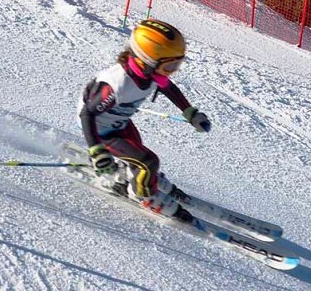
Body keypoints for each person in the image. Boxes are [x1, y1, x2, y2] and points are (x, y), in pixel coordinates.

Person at [77, 19, 211, 222]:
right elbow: (87, 114)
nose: (173, 71)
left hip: (119, 123)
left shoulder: (150, 74)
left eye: (177, 64)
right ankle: (144, 194)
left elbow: (168, 87)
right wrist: (96, 150)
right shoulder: (118, 84)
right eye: (171, 65)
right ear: (147, 60)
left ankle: (137, 175)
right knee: (148, 161)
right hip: (100, 131)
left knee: (139, 154)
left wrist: (190, 112)